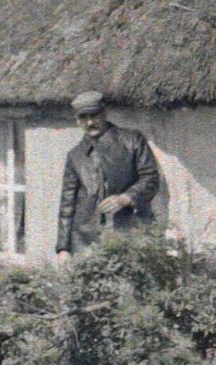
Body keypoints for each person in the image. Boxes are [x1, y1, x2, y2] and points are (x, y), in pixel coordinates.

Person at [55, 90, 161, 260]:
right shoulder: (75, 156)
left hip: (128, 233)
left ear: (104, 113)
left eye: (94, 116)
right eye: (83, 117)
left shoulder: (132, 140)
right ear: (77, 120)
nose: (89, 122)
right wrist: (63, 248)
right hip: (85, 241)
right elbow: (67, 205)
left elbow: (150, 177)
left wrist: (126, 198)